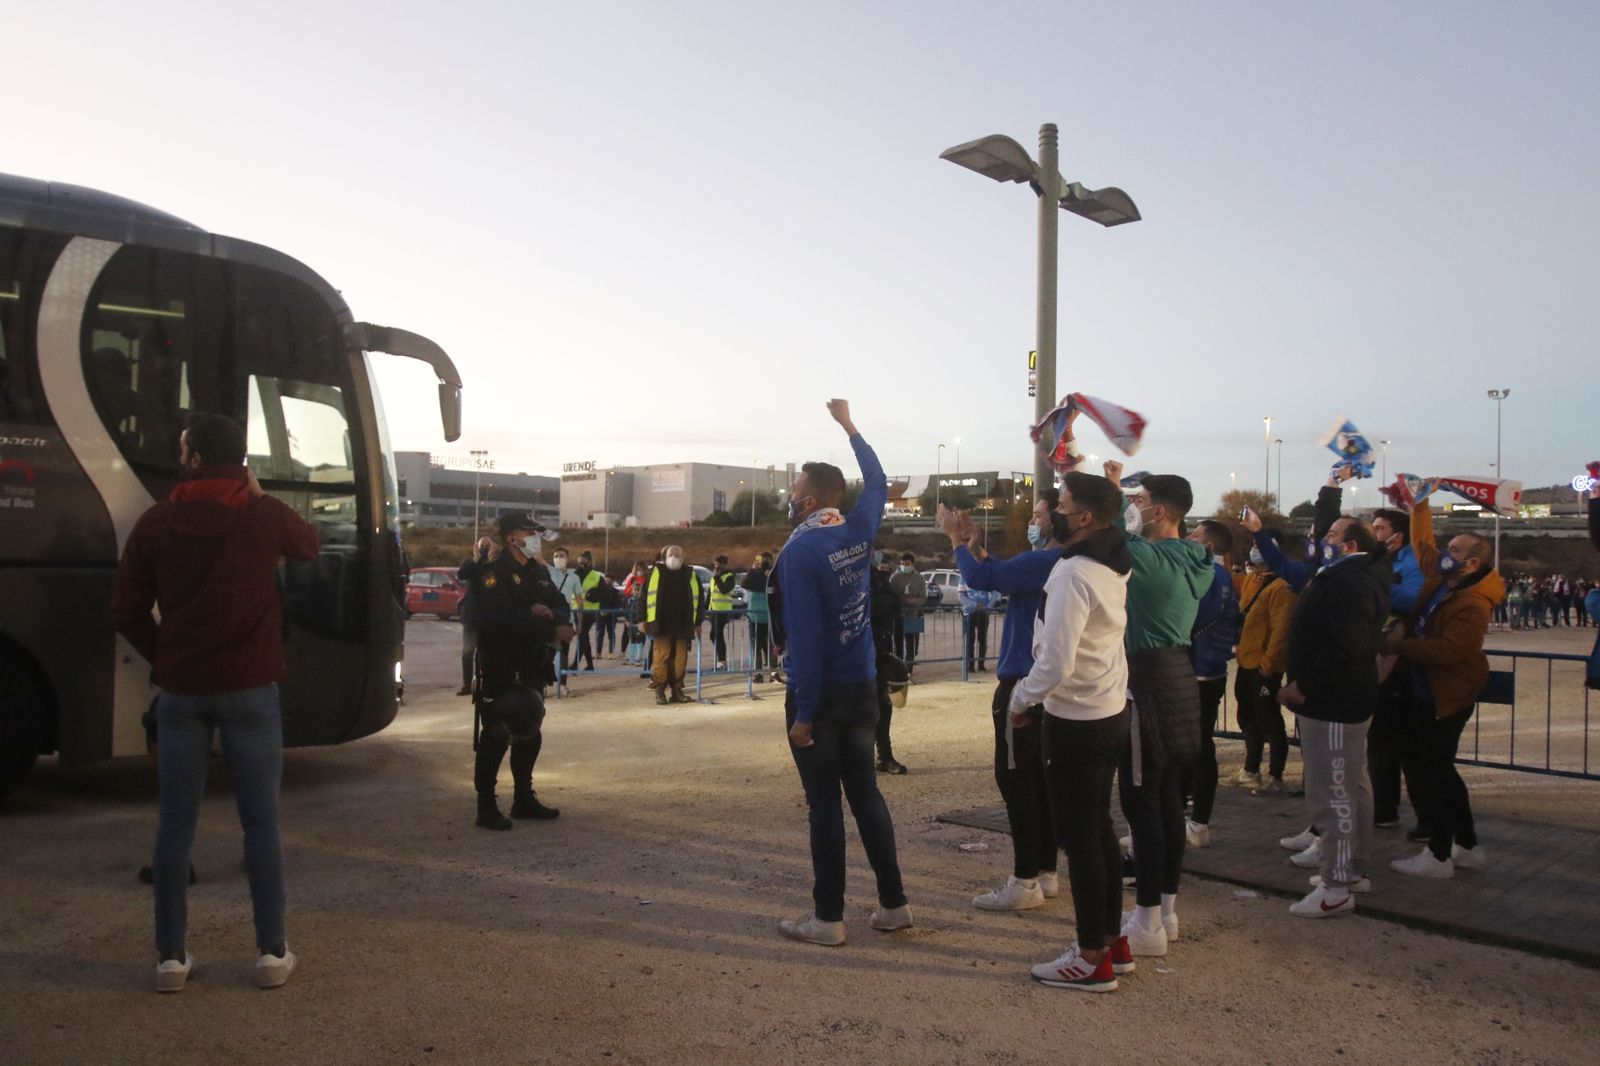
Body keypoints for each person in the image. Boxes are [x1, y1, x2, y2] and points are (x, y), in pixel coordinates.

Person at [110, 413, 318, 992]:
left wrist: (168, 657)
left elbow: (124, 611)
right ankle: (272, 954)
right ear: (241, 460)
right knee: (261, 824)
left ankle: (170, 959)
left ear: (194, 457)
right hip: (251, 692)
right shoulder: (262, 517)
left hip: (181, 696)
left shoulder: (157, 523)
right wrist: (262, 495)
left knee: (176, 825)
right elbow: (310, 544)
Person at [774, 398, 909, 947]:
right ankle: (893, 905)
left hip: (822, 697)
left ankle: (827, 918)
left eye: (792, 491)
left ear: (807, 501)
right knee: (868, 796)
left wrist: (803, 714)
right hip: (863, 688)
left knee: (825, 806)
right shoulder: (857, 529)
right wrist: (850, 427)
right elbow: (876, 478)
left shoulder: (800, 553)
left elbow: (805, 640)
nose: (788, 498)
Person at [1009, 472, 1133, 992]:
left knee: (1079, 839)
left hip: (1076, 717)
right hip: (1108, 708)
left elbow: (1055, 660)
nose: (1051, 512)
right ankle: (1112, 940)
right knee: (1098, 830)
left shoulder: (1073, 572)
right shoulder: (1113, 561)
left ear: (1084, 518)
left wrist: (1020, 700)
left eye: (1060, 504)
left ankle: (1090, 956)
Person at [1102, 461, 1213, 958]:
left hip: (1146, 682)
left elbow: (1108, 540)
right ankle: (1164, 909)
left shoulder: (1155, 559)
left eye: (1139, 501)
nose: (1133, 508)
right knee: (1167, 803)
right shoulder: (1195, 557)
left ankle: (1146, 920)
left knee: (1142, 803)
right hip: (1178, 678)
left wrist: (1109, 503)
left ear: (1160, 510)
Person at [939, 491, 1069, 912]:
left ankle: (1025, 878)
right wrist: (978, 549)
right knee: (1042, 781)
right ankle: (1046, 871)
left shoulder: (1046, 560)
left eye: (1038, 513)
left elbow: (980, 580)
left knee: (1017, 782)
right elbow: (999, 571)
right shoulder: (1062, 563)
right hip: (1046, 684)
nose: (1032, 520)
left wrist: (957, 543)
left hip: (1022, 681)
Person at [1381, 495, 1503, 877]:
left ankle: (1438, 854)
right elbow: (1422, 545)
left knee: (1435, 773)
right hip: (1425, 690)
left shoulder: (1472, 603)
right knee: (1440, 771)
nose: (1445, 553)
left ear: (1472, 563)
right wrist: (1419, 506)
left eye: (1455, 550)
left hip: (1444, 694)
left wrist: (1399, 646)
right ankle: (1466, 846)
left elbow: (1451, 650)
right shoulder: (1443, 580)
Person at [1277, 514, 1391, 917]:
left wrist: (1303, 685)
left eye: (1331, 534)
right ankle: (1353, 869)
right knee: (1351, 787)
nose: (1322, 539)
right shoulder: (1344, 577)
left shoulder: (1351, 582)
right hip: (1339, 700)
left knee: (1335, 792)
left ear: (1351, 544)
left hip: (1333, 703)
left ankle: (1337, 884)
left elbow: (1347, 647)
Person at [466, 512, 573, 830]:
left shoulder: (539, 572)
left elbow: (560, 603)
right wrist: (548, 630)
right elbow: (499, 618)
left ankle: (523, 798)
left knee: (530, 728)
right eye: (530, 532)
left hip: (532, 663)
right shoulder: (493, 573)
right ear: (513, 538)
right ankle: (485, 806)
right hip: (501, 662)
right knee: (497, 733)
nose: (535, 538)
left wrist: (554, 614)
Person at [1226, 525, 1297, 794]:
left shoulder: (1282, 587)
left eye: (1260, 545)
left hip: (1263, 665)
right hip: (1246, 661)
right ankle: (1250, 770)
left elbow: (1282, 629)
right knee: (1247, 716)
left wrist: (1269, 665)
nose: (1255, 550)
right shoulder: (1254, 579)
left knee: (1270, 720)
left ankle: (1275, 775)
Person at [1183, 519, 1240, 847]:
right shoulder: (1224, 576)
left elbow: (1187, 618)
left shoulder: (1207, 576)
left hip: (1198, 670)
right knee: (1199, 746)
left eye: (1194, 535)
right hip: (1210, 668)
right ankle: (1196, 819)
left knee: (1194, 749)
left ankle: (1195, 819)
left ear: (1208, 546)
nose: (1188, 537)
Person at [868, 550, 908, 775]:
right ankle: (864, 758)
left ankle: (884, 755)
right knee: (863, 708)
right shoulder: (859, 580)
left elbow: (894, 604)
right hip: (859, 653)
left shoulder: (880, 580)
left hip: (881, 649)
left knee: (884, 706)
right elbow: (875, 607)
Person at [645, 545, 702, 704]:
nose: (674, 557)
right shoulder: (656, 572)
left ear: (683, 557)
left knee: (680, 660)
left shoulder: (689, 574)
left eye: (677, 554)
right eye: (671, 554)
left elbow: (700, 599)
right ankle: (660, 690)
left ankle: (677, 690)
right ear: (665, 556)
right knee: (660, 657)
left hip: (683, 625)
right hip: (661, 624)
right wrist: (642, 619)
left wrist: (698, 623)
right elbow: (645, 596)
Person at [456, 537, 493, 696]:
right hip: (471, 617)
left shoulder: (493, 566)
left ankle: (485, 682)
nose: (484, 549)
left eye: (487, 546)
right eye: (482, 546)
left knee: (486, 653)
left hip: (487, 617)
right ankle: (466, 684)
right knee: (467, 653)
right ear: (476, 547)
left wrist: (486, 563)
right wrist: (476, 560)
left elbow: (491, 583)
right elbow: (461, 575)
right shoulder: (469, 564)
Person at [888, 553, 927, 673]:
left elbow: (923, 598)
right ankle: (899, 671)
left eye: (907, 564)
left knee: (912, 647)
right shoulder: (895, 578)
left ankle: (908, 670)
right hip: (898, 616)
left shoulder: (920, 578)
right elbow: (891, 596)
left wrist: (915, 601)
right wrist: (903, 600)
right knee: (898, 645)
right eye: (902, 564)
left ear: (913, 564)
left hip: (914, 616)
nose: (905, 566)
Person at [547, 547, 583, 673]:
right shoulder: (548, 572)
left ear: (567, 559)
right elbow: (536, 557)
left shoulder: (574, 577)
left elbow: (579, 600)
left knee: (563, 651)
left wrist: (579, 622)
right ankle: (545, 684)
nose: (558, 558)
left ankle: (562, 684)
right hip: (549, 617)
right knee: (548, 653)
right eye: (555, 556)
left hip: (566, 618)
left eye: (561, 556)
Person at [743, 553, 774, 682]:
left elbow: (745, 584)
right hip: (765, 616)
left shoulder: (757, 575)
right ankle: (771, 673)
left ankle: (762, 673)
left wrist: (753, 570)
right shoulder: (770, 575)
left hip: (758, 616)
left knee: (759, 647)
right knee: (768, 646)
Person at [571, 550, 605, 670]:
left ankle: (576, 664)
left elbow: (603, 594)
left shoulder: (597, 576)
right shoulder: (575, 574)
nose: (581, 564)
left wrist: (593, 596)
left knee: (582, 635)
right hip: (576, 609)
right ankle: (589, 665)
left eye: (584, 562)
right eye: (579, 562)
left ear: (590, 562)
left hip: (590, 611)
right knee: (583, 636)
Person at [960, 578, 999, 674]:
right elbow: (961, 596)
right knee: (969, 639)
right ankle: (970, 665)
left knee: (982, 639)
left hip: (983, 613)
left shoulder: (984, 575)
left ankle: (981, 664)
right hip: (969, 613)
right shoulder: (964, 577)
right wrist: (974, 605)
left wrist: (989, 607)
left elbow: (995, 593)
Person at [708, 555, 738, 670]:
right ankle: (720, 660)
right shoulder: (714, 578)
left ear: (724, 565)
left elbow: (724, 590)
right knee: (713, 635)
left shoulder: (729, 577)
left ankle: (722, 661)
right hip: (713, 610)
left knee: (717, 634)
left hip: (722, 611)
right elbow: (710, 594)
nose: (716, 567)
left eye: (718, 565)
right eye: (715, 564)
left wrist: (717, 578)